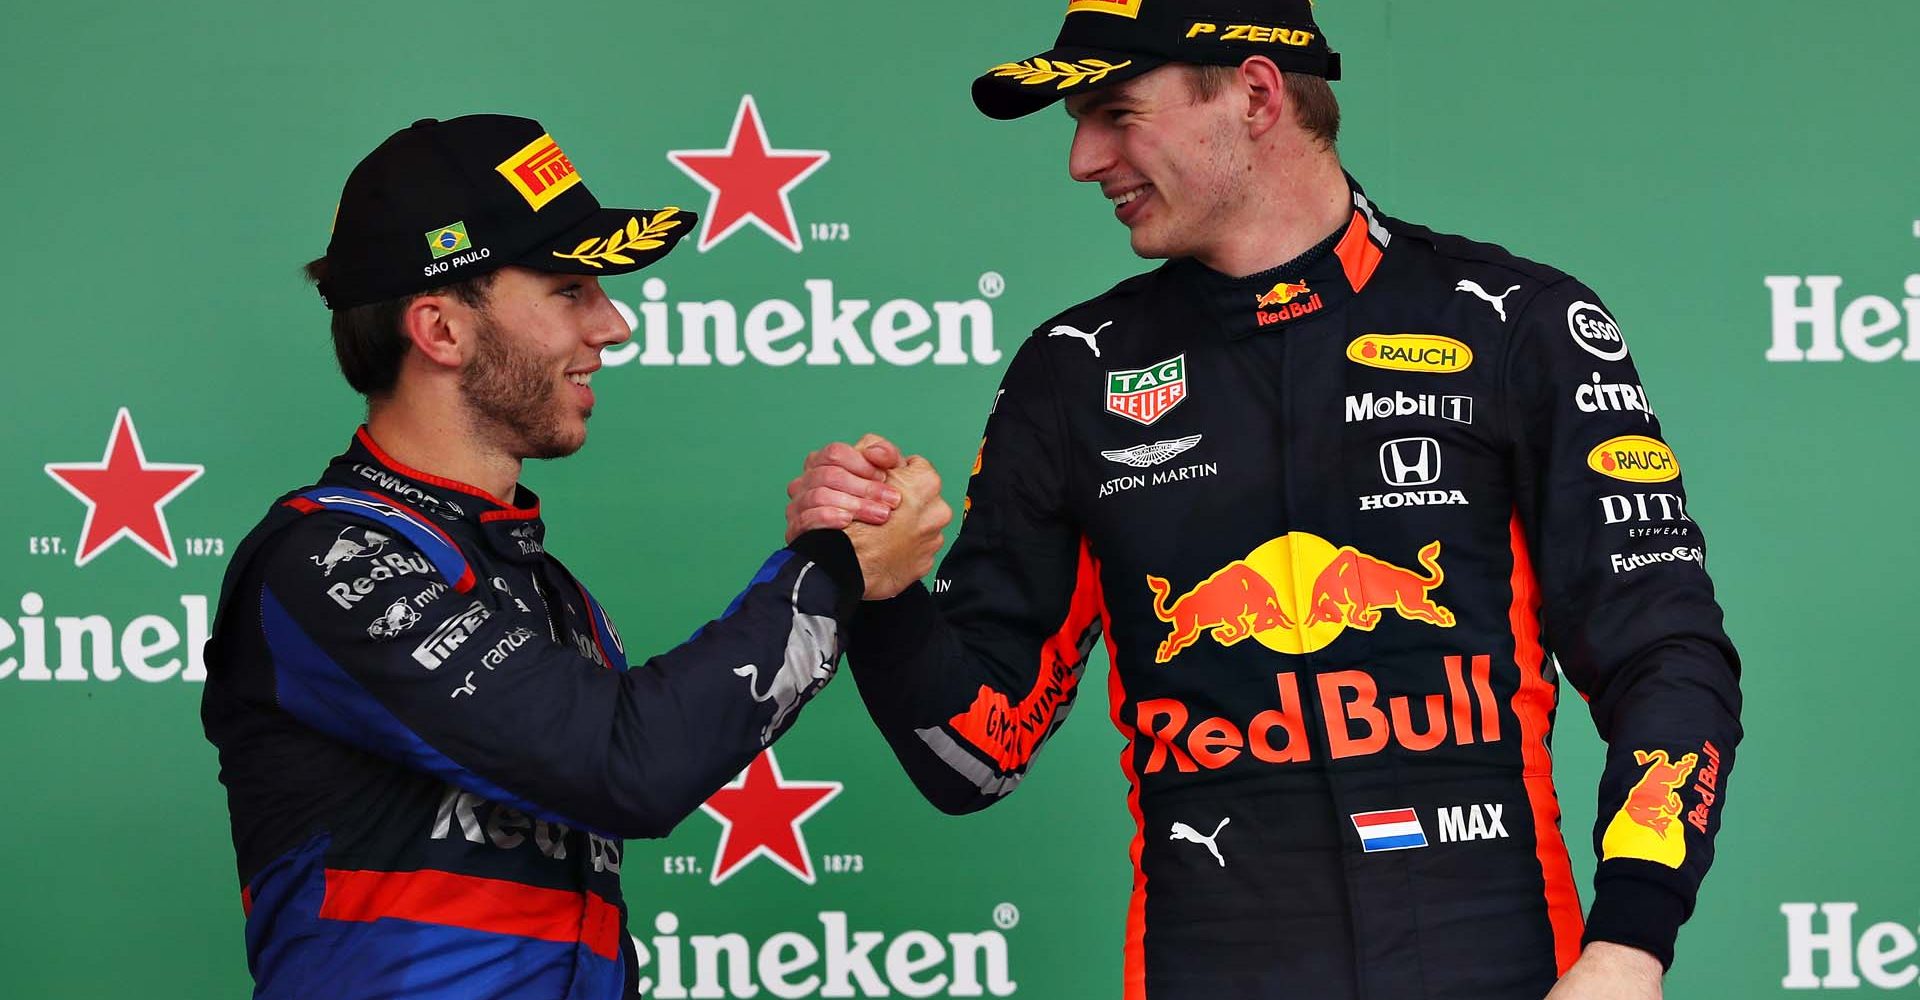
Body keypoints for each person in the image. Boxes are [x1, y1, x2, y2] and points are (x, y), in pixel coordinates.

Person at [786, 2, 1741, 997]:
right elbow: (974, 757)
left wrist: (1631, 941)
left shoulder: (1518, 326)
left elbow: (1664, 652)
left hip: (1502, 963)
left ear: (1253, 93)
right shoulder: (1073, 375)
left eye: (1116, 112)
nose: (1081, 158)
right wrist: (887, 595)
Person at [200, 114, 949, 1000]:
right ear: (440, 328)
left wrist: (835, 552)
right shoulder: (324, 558)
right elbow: (629, 768)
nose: (614, 325)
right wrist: (835, 567)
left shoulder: (551, 590)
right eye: (569, 289)